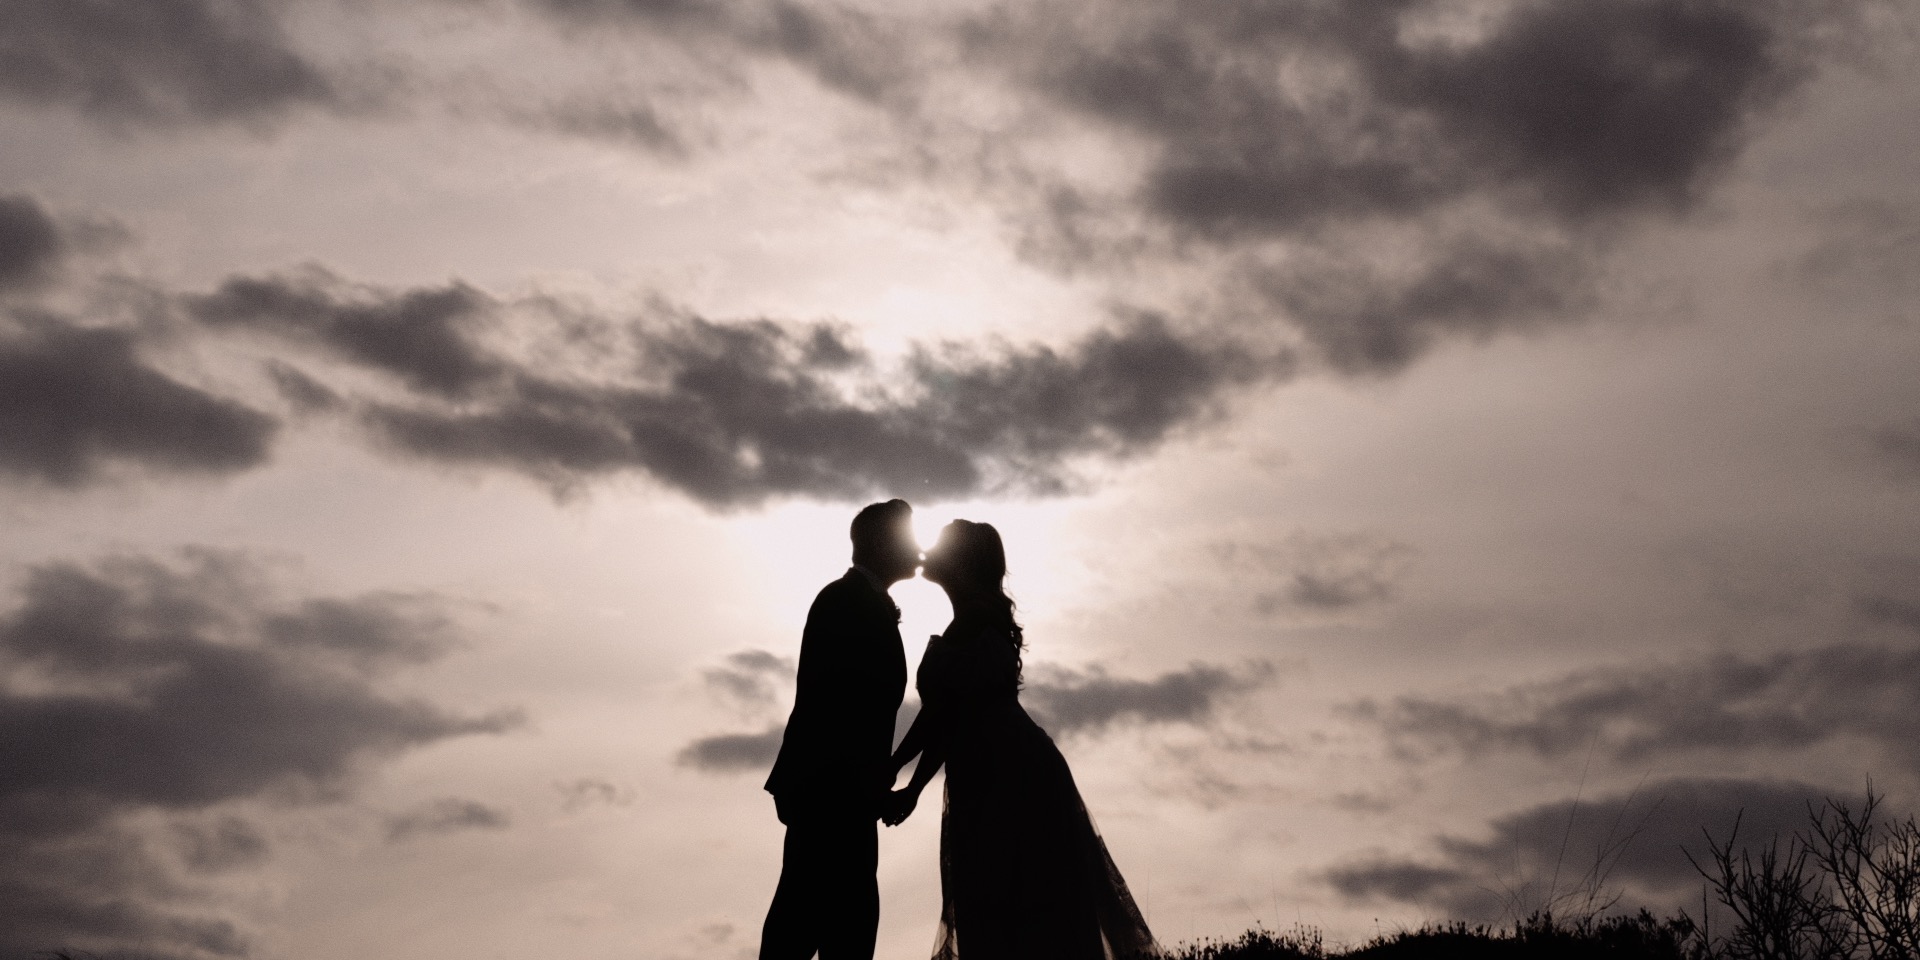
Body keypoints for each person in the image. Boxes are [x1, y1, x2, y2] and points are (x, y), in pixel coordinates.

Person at [885, 520, 1164, 960]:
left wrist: (906, 778)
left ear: (962, 561)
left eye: (940, 542)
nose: (926, 547)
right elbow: (943, 715)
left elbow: (948, 714)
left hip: (1011, 777)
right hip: (988, 770)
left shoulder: (976, 621)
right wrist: (902, 773)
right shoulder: (971, 620)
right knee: (1002, 902)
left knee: (1017, 902)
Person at [759, 499, 920, 960]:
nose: (918, 547)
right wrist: (864, 789)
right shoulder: (846, 602)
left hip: (841, 798)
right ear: (878, 544)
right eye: (908, 536)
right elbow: (834, 709)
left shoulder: (860, 601)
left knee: (829, 924)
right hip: (830, 799)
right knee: (816, 925)